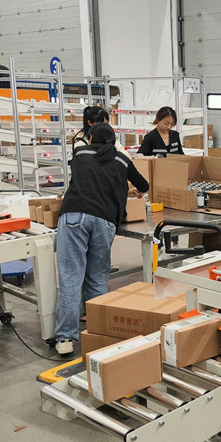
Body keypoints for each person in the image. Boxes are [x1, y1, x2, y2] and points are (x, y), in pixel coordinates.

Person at [54, 123, 150, 355]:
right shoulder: (122, 160)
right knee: (97, 279)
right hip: (104, 220)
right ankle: (99, 333)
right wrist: (126, 187)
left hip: (74, 215)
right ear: (114, 141)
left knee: (71, 277)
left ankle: (65, 339)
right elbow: (144, 186)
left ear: (90, 138)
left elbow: (90, 178)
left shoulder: (80, 153)